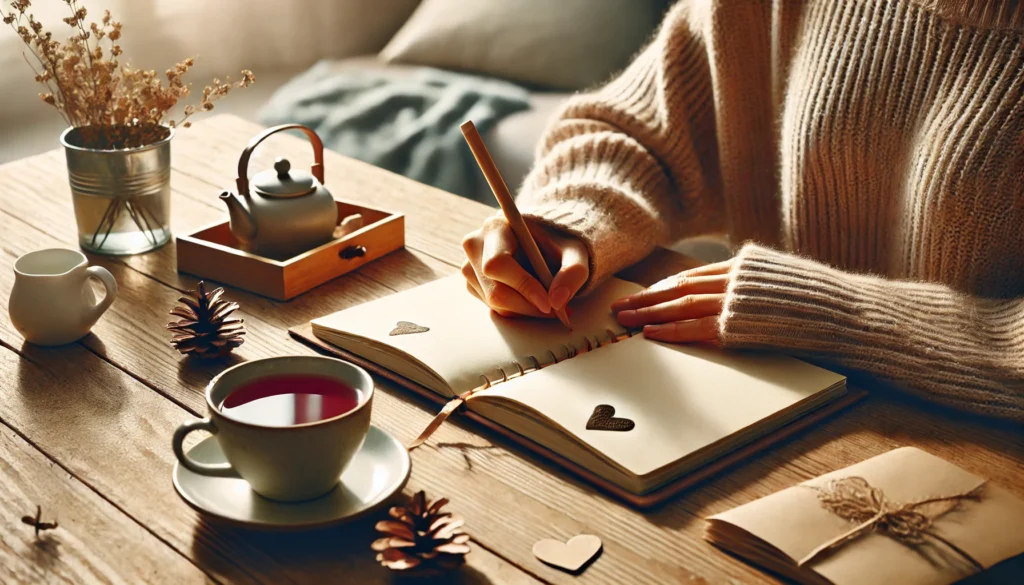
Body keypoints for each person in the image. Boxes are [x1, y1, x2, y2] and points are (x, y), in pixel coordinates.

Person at [461, 0, 1024, 422]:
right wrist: (570, 222)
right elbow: (637, 133)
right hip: (760, 413)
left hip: (981, 461)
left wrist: (832, 314)